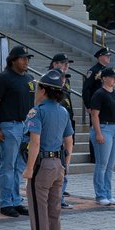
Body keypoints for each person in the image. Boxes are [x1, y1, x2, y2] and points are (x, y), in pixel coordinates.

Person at [20, 69, 74, 230]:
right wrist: (65, 165)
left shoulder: (38, 111)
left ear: (43, 90)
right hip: (58, 164)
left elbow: (34, 142)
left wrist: (29, 168)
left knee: (38, 212)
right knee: (54, 212)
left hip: (42, 165)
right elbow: (69, 141)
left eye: (37, 88)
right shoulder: (63, 110)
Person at [0, 46, 36, 218]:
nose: (26, 62)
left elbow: (33, 105)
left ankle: (16, 200)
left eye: (27, 59)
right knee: (7, 165)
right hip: (9, 125)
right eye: (23, 59)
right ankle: (6, 202)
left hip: (25, 125)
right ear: (13, 60)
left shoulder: (29, 79)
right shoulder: (2, 78)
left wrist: (32, 127)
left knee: (19, 167)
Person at [89, 67, 115, 206]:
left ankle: (108, 193)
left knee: (110, 165)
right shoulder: (99, 94)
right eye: (112, 77)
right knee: (102, 164)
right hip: (104, 128)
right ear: (104, 78)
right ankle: (100, 194)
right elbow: (94, 115)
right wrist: (98, 133)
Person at [49, 53, 74, 209]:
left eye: (67, 63)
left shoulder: (66, 80)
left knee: (65, 161)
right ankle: (54, 197)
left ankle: (61, 196)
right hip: (55, 123)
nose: (66, 66)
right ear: (54, 64)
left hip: (67, 121)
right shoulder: (49, 80)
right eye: (63, 63)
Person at [81, 47, 111, 124]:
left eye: (109, 56)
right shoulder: (93, 71)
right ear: (100, 57)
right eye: (106, 56)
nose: (109, 57)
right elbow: (86, 89)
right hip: (97, 104)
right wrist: (88, 105)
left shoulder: (108, 71)